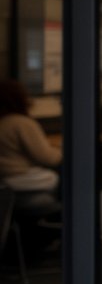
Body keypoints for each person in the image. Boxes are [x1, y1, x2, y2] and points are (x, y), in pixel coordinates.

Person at [0, 80, 62, 258]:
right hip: (21, 184)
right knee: (61, 176)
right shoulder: (21, 123)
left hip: (5, 187)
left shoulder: (4, 122)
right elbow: (48, 157)